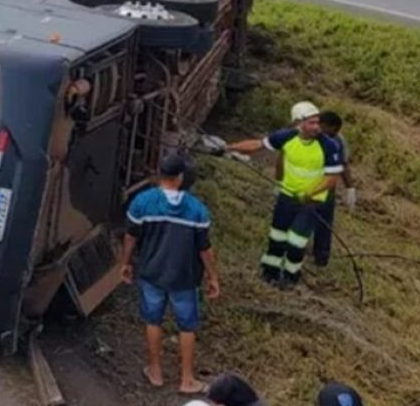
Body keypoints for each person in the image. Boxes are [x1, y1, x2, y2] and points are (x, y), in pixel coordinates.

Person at [121, 154, 220, 394]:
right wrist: (213, 276)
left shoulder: (142, 202)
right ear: (180, 178)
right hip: (185, 277)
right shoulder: (197, 209)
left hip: (152, 272)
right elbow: (204, 249)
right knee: (187, 326)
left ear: (159, 173)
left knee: (152, 320)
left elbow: (131, 236)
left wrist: (125, 263)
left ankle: (155, 372)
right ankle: (187, 379)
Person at [216, 101, 343, 287]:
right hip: (287, 196)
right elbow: (257, 145)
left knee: (296, 241)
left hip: (311, 202)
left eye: (317, 122)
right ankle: (270, 272)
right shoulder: (286, 137)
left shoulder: (329, 146)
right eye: (311, 123)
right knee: (277, 237)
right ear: (299, 123)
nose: (316, 127)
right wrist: (228, 148)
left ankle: (291, 277)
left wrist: (310, 193)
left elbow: (332, 178)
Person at [313, 111, 355, 266]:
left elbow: (343, 164)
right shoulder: (308, 134)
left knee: (324, 222)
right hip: (306, 181)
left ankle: (321, 257)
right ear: (323, 125)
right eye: (333, 130)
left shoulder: (338, 140)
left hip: (326, 184)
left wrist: (350, 188)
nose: (334, 134)